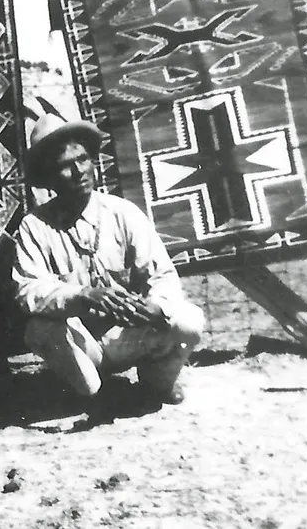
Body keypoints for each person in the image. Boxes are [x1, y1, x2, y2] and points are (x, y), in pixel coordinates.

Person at [11, 103, 204, 409]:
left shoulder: (122, 212)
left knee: (188, 319)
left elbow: (162, 276)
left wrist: (155, 308)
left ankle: (156, 383)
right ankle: (88, 392)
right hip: (79, 341)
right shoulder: (35, 226)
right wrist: (84, 296)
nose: (78, 172)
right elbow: (29, 290)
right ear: (48, 177)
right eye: (64, 165)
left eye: (83, 159)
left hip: (126, 335)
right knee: (41, 330)